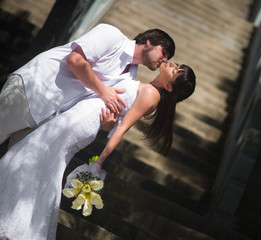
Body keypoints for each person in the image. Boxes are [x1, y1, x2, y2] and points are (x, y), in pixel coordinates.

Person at [0, 62, 196, 240]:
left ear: (169, 87)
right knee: (44, 161)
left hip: (82, 120)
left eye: (174, 70)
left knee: (35, 150)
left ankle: (16, 222)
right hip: (84, 116)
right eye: (176, 65)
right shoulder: (149, 89)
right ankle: (22, 222)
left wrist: (100, 159)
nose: (171, 64)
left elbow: (121, 128)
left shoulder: (152, 94)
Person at [0, 23, 175, 145]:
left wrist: (107, 125)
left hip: (50, 116)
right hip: (33, 89)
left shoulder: (130, 77)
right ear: (149, 41)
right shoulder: (112, 35)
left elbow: (103, 110)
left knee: (9, 169)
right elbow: (75, 60)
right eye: (164, 52)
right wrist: (103, 91)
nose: (165, 60)